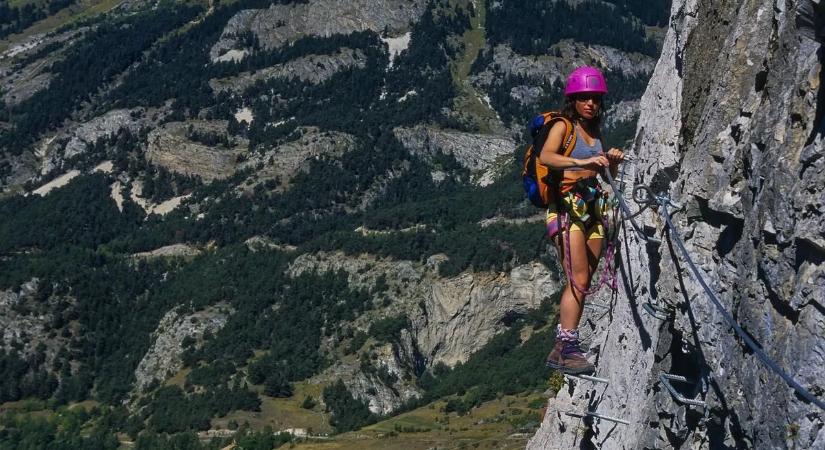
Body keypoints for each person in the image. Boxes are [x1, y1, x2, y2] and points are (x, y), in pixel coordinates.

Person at [540, 66, 624, 374]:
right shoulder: (563, 126)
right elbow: (547, 156)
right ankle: (567, 345)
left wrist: (611, 163)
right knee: (577, 279)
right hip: (566, 209)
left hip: (592, 207)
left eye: (595, 99)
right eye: (584, 98)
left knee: (586, 278)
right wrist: (581, 160)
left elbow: (604, 174)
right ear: (573, 100)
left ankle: (562, 349)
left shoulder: (595, 132)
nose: (590, 103)